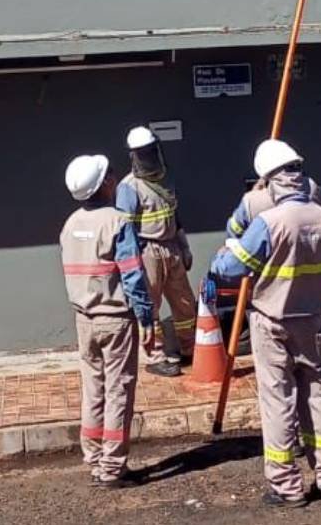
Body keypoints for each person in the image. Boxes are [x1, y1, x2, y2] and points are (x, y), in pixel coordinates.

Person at [210, 139, 321, 508]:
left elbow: (233, 267)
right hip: (314, 320)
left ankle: (287, 485)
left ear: (269, 181)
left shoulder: (270, 222)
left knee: (278, 401)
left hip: (273, 320)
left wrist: (219, 258)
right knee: (317, 396)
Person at [224, 142, 321, 443]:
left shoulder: (252, 202)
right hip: (318, 295)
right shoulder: (312, 190)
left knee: (280, 380)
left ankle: (292, 438)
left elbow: (233, 231)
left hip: (276, 297)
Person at [60, 154, 154, 489]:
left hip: (83, 319)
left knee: (93, 390)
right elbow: (133, 276)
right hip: (115, 319)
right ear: (105, 184)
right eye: (111, 174)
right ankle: (112, 467)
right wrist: (147, 318)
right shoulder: (117, 222)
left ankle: (95, 459)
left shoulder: (70, 224)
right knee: (118, 390)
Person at [116, 126, 197, 378]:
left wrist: (184, 246)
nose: (149, 156)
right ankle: (155, 356)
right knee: (149, 306)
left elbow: (175, 215)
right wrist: (133, 261)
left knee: (184, 303)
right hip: (147, 249)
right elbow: (125, 228)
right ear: (134, 156)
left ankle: (189, 347)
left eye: (151, 150)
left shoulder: (166, 177)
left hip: (171, 245)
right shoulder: (129, 187)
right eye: (143, 153)